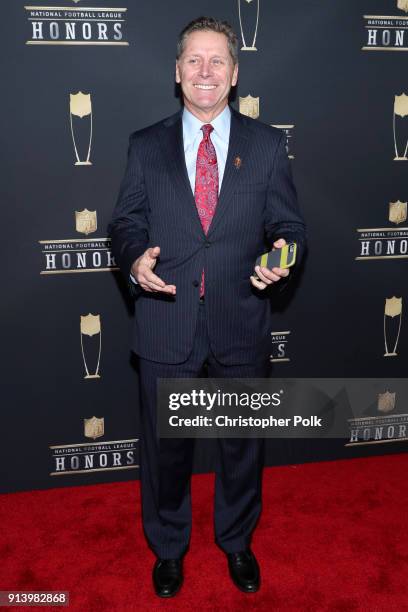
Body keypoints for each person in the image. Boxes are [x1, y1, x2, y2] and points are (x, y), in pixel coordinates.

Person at [109, 16, 307, 598]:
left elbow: (290, 226)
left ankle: (237, 542)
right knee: (166, 452)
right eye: (193, 60)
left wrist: (282, 254)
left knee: (242, 449)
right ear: (176, 71)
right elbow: (125, 222)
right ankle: (169, 548)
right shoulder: (145, 145)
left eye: (216, 60)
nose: (204, 71)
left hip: (239, 322)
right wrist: (133, 260)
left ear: (235, 73)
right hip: (165, 324)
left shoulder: (267, 144)